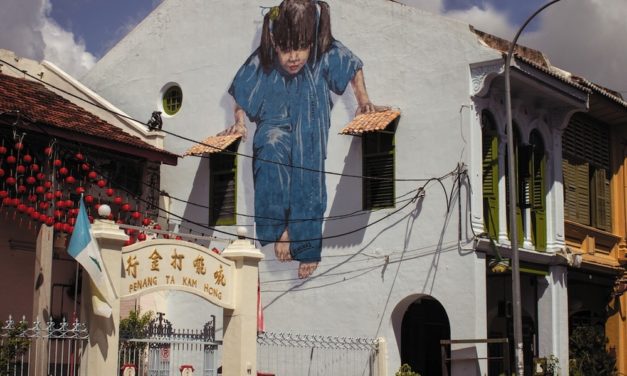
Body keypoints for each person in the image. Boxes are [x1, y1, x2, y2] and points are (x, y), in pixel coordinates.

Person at [221, 0, 386, 279]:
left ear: (311, 40)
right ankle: (279, 232)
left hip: (310, 127)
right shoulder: (264, 59)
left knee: (307, 179)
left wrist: (364, 101)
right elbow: (242, 91)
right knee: (270, 153)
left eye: (301, 47)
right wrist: (238, 122)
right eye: (286, 49)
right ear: (275, 42)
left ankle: (305, 245)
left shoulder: (325, 51)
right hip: (273, 125)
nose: (294, 57)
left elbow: (352, 66)